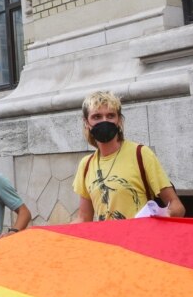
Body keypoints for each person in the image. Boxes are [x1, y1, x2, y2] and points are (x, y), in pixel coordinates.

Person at [72, 90, 185, 221]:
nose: (104, 121)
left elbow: (177, 207)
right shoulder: (85, 165)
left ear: (119, 120)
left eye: (110, 116)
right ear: (86, 122)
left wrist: (157, 218)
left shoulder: (141, 154)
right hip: (108, 241)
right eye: (97, 117)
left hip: (140, 239)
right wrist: (56, 238)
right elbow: (84, 218)